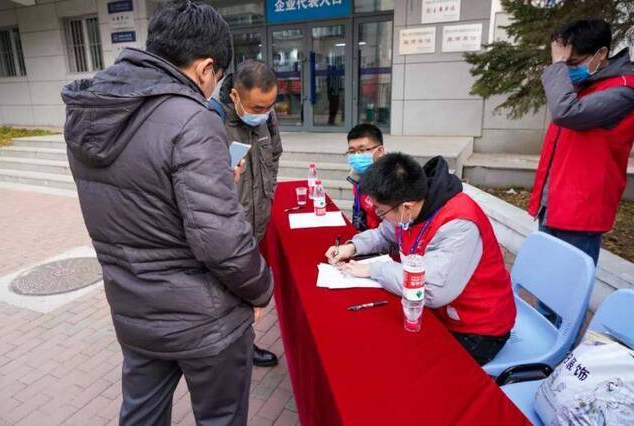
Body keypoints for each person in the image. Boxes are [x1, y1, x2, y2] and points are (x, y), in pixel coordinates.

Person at [61, 1, 272, 424]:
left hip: (136, 312)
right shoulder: (191, 119)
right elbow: (222, 243)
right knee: (221, 417)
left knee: (141, 416)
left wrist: (214, 182)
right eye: (216, 78)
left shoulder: (89, 112)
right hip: (205, 321)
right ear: (205, 68)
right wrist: (260, 287)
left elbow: (140, 200)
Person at [325, 153, 516, 365]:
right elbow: (383, 234)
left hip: (477, 328)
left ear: (406, 206)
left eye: (381, 210)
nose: (379, 215)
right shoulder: (411, 205)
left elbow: (432, 290)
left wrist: (374, 270)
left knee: (410, 367)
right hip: (434, 313)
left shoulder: (459, 224)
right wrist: (352, 247)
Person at [529, 19, 634, 265]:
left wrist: (556, 66)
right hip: (555, 205)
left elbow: (567, 113)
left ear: (602, 53)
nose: (566, 70)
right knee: (545, 285)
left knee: (563, 295)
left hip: (580, 214)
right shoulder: (586, 85)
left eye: (573, 63)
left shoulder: (622, 90)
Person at [214, 60, 282, 367]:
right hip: (228, 228)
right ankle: (227, 351)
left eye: (269, 106)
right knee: (224, 293)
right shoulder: (212, 122)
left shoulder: (267, 118)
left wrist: (269, 192)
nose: (263, 113)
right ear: (234, 96)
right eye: (256, 107)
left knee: (244, 294)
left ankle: (245, 345)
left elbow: (275, 154)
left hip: (256, 223)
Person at [345, 123, 386, 231]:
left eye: (362, 150)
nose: (356, 156)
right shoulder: (357, 177)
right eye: (352, 151)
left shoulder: (393, 181)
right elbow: (359, 212)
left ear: (380, 151)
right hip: (366, 235)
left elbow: (393, 230)